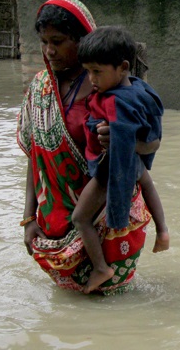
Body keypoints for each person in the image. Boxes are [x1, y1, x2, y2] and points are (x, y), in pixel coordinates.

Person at [17, 0, 154, 294]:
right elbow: (35, 157)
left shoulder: (109, 86)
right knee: (72, 307)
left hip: (109, 215)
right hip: (56, 225)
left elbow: (148, 146)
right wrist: (28, 218)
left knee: (114, 304)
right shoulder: (40, 89)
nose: (49, 50)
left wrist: (119, 140)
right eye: (44, 42)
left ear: (81, 39)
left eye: (59, 41)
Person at [72, 26, 168, 294]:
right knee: (147, 182)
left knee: (80, 218)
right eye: (88, 71)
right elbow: (152, 139)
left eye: (97, 71)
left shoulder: (116, 102)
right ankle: (163, 231)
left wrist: (116, 213)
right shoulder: (140, 89)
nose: (91, 78)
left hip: (113, 169)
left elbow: (122, 143)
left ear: (123, 67)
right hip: (136, 162)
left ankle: (102, 268)